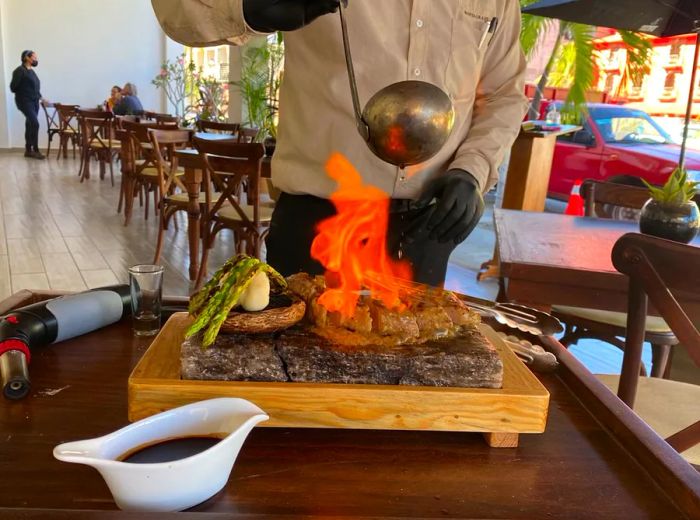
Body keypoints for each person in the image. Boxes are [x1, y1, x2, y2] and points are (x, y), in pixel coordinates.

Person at [151, 0, 527, 287]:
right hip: (316, 226)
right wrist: (249, 7)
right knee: (297, 381)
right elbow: (176, 12)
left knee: (412, 383)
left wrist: (472, 170)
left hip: (427, 227)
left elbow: (504, 93)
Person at [10, 50, 45, 159]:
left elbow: (35, 87)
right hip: (24, 101)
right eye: (34, 57)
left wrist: (41, 98)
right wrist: (25, 93)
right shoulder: (19, 71)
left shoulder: (32, 71)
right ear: (27, 58)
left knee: (30, 124)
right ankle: (35, 150)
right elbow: (13, 87)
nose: (36, 59)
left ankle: (28, 150)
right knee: (35, 123)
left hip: (35, 101)